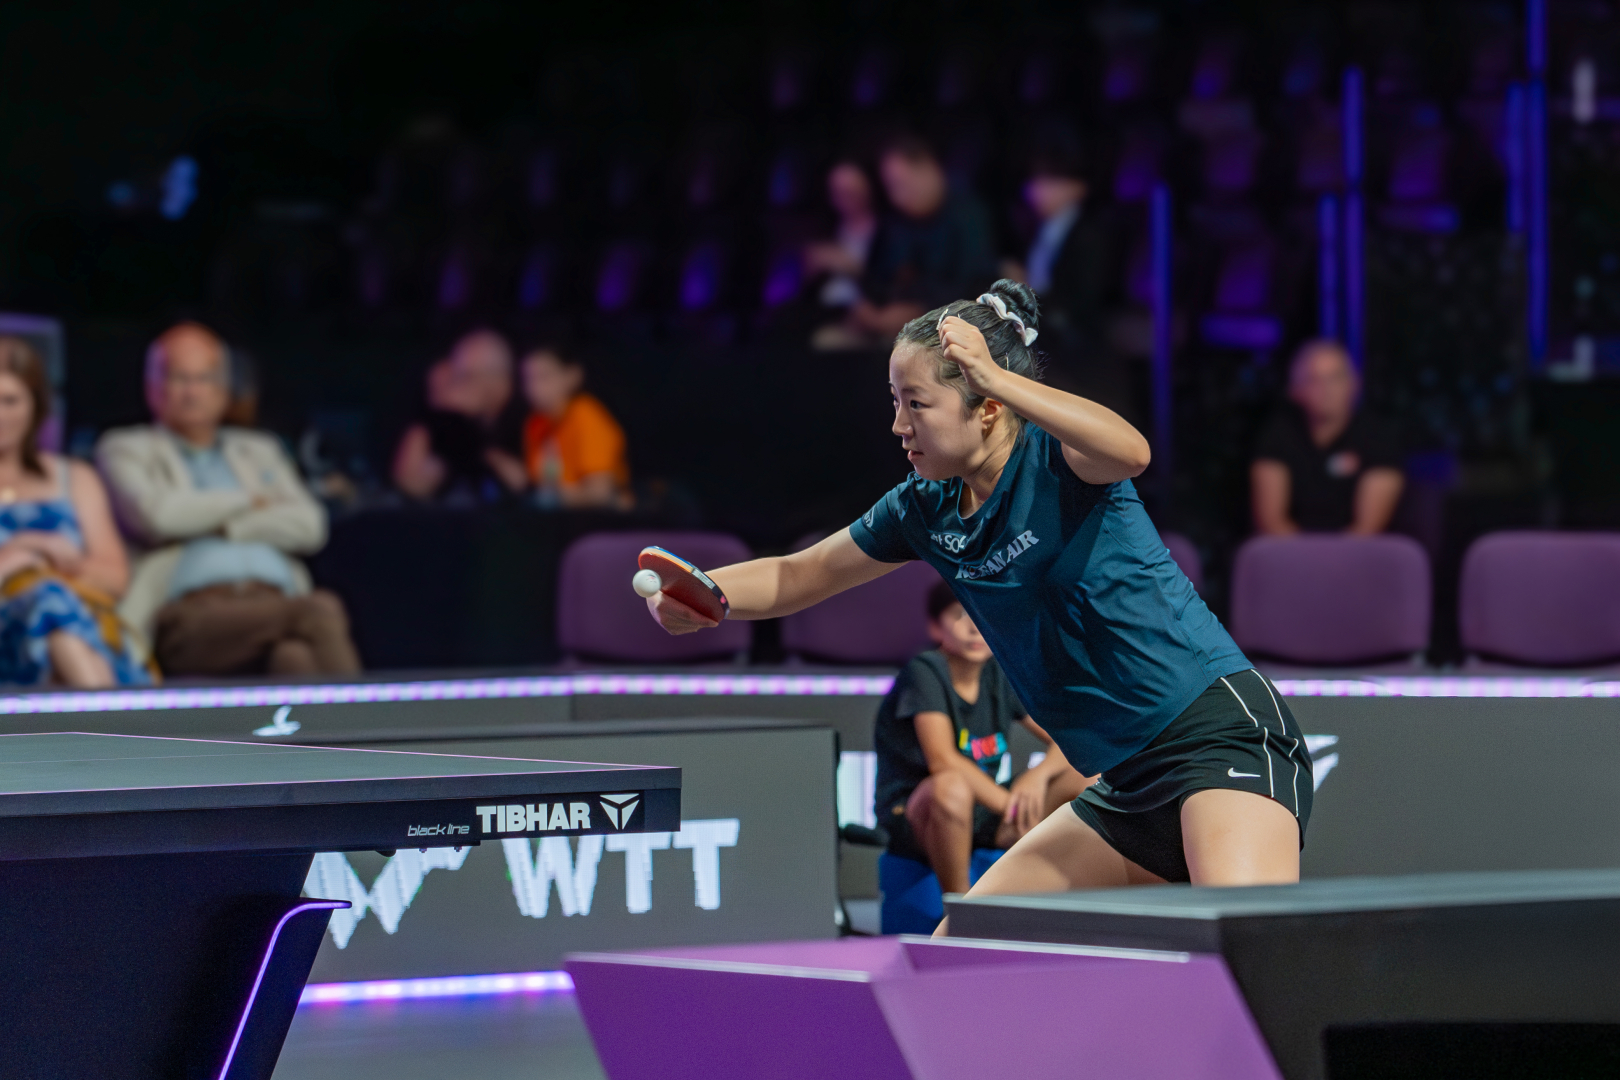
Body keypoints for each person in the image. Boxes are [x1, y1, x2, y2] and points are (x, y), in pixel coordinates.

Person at [646, 279, 1311, 917]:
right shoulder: (923, 508)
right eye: (895, 401)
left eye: (917, 403)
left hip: (1219, 741)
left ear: (987, 406)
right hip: (1126, 790)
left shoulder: (1060, 459)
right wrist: (710, 595)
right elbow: (800, 576)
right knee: (958, 954)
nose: (899, 425)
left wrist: (997, 377)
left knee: (1239, 951)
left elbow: (1131, 450)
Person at [96, 322, 361, 678]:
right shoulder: (125, 447)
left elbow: (310, 525)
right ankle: (384, 730)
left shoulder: (259, 449)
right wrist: (252, 500)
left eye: (203, 379)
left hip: (274, 602)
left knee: (293, 658)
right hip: (189, 613)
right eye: (179, 379)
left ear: (223, 390)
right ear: (153, 388)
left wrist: (219, 524)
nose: (192, 392)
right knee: (319, 610)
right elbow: (159, 516)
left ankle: (341, 734)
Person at [874, 579, 1088, 895]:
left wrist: (1038, 776)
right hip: (920, 814)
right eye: (960, 614)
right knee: (951, 784)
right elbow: (942, 760)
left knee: (1083, 776)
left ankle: (1067, 896)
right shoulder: (925, 671)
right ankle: (960, 910)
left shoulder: (999, 673)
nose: (974, 626)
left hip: (983, 811)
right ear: (935, 627)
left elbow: (1067, 738)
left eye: (982, 614)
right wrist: (1010, 807)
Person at [0, 337, 148, 687]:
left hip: (79, 627)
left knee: (54, 608)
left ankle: (101, 722)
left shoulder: (74, 478)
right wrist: (18, 554)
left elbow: (114, 579)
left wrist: (44, 562)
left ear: (35, 407)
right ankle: (112, 729)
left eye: (10, 401)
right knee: (46, 603)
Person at [850, 135, 997, 341]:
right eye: (890, 188)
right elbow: (876, 278)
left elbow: (974, 287)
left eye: (900, 185)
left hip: (950, 333)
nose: (896, 197)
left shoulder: (969, 214)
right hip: (885, 330)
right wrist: (867, 306)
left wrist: (919, 312)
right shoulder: (895, 223)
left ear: (929, 168)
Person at [1251, 339, 1405, 536]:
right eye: (1315, 380)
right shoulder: (1277, 436)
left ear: (1355, 383)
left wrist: (1331, 562)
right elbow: (1271, 522)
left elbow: (1367, 530)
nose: (1327, 389)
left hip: (1356, 560)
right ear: (1295, 390)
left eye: (1336, 377)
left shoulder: (1379, 438)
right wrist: (1305, 562)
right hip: (1291, 559)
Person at [392, 329, 527, 500]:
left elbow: (523, 484)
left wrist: (484, 449)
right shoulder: (447, 424)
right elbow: (412, 483)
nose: (458, 386)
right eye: (458, 377)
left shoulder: (527, 416)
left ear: (501, 378)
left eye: (467, 376)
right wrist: (442, 422)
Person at [519, 342, 632, 509]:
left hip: (603, 522)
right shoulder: (535, 424)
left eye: (544, 377)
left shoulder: (587, 416)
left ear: (573, 375)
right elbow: (544, 482)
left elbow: (600, 494)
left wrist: (552, 497)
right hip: (558, 520)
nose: (534, 388)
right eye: (528, 379)